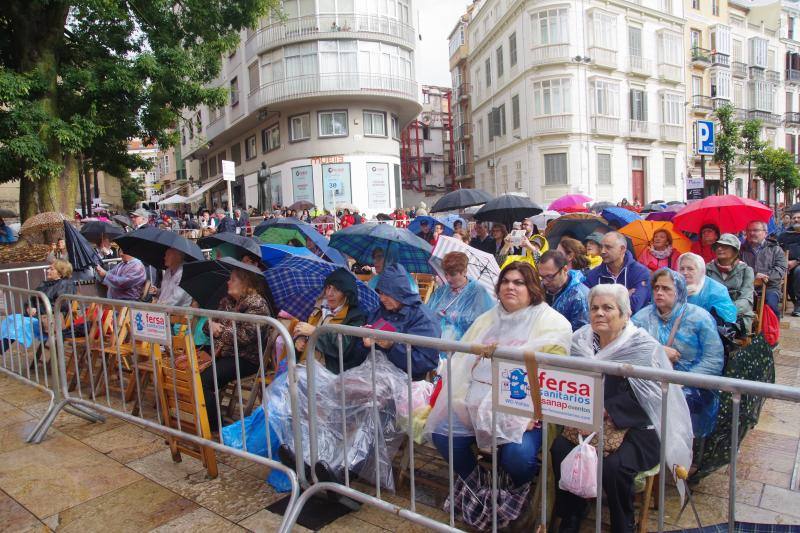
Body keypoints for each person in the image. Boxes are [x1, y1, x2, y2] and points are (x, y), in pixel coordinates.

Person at [553, 284, 693, 533]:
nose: (599, 313)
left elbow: (653, 398)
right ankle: (572, 514)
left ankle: (622, 522)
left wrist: (608, 409)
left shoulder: (642, 347)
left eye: (608, 308)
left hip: (639, 426)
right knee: (561, 448)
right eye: (594, 308)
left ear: (625, 314)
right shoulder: (580, 341)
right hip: (589, 420)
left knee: (614, 465)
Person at [427, 262, 572, 493]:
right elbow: (464, 363)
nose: (510, 287)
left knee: (517, 457)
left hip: (528, 412)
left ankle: (515, 492)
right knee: (443, 434)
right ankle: (478, 487)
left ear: (532, 287)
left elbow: (554, 378)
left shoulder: (553, 323)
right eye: (505, 281)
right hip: (477, 404)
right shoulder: (487, 319)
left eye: (518, 282)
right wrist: (459, 401)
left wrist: (530, 414)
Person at [632, 269, 724, 438]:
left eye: (666, 288)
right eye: (656, 288)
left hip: (691, 385)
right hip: (650, 381)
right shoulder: (642, 317)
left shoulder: (699, 318)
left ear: (679, 291)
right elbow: (629, 349)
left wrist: (681, 382)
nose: (659, 292)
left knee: (675, 401)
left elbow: (713, 360)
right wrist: (657, 351)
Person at [201, 267, 271, 431]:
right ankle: (200, 415)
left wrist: (220, 331)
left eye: (232, 279)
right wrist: (210, 325)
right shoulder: (227, 301)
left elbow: (246, 336)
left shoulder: (257, 304)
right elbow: (207, 324)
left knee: (203, 380)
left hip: (246, 358)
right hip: (223, 353)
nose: (228, 282)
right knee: (187, 368)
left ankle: (213, 426)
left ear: (245, 283)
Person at [363, 263, 440, 379]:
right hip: (374, 375)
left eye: (387, 294)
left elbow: (425, 362)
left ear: (400, 292)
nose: (382, 298)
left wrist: (393, 346)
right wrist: (364, 344)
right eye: (381, 293)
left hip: (407, 383)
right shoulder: (379, 311)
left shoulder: (424, 319)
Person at [290, 268, 369, 373]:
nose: (329, 294)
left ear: (346, 293)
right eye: (328, 288)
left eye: (336, 289)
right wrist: (299, 340)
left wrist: (315, 332)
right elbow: (305, 331)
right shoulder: (319, 309)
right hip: (304, 366)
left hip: (329, 374)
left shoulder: (356, 316)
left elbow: (343, 348)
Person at [427, 252, 494, 359]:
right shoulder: (442, 291)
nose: (448, 279)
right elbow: (427, 313)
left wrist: (456, 319)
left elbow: (483, 322)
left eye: (452, 274)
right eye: (446, 274)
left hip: (463, 353)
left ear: (464, 272)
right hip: (438, 352)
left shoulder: (477, 291)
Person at [1, 260, 76, 352]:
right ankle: (1, 348)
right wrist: (30, 307)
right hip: (38, 316)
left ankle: (1, 349)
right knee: (11, 319)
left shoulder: (65, 285)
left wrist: (37, 309)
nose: (48, 271)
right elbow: (32, 298)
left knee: (18, 324)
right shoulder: (46, 284)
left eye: (51, 269)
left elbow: (60, 306)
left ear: (61, 272)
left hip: (51, 320)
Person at [584, 232, 651, 314]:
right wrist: (624, 294)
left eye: (608, 247)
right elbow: (586, 305)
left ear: (622, 249)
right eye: (601, 247)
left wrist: (601, 300)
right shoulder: (593, 274)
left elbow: (634, 306)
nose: (603, 251)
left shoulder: (640, 272)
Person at [706, 233, 755, 334]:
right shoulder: (708, 269)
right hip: (712, 312)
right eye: (718, 246)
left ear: (735, 251)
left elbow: (747, 299)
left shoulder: (746, 270)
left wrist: (727, 310)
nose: (719, 249)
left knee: (721, 329)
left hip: (738, 314)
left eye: (725, 246)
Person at [739, 220, 787, 317]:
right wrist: (754, 275)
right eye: (749, 230)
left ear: (765, 233)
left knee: (770, 305)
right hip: (746, 287)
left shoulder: (775, 249)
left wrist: (763, 277)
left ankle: (770, 332)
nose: (751, 233)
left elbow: (780, 270)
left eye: (756, 230)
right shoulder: (740, 250)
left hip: (770, 287)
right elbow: (737, 269)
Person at [678, 252, 738, 326]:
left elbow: (725, 320)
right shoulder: (674, 287)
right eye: (682, 269)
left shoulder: (717, 290)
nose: (685, 272)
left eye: (690, 269)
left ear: (700, 270)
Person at [538, 250, 589, 331]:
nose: (545, 282)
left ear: (564, 269)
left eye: (550, 276)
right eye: (541, 276)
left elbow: (580, 334)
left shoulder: (580, 296)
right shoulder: (539, 288)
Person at [778, 211, 800, 316]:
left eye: (799, 218)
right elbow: (777, 249)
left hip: (798, 264)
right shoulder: (784, 235)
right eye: (794, 218)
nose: (796, 220)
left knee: (798, 272)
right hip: (784, 263)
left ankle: (798, 303)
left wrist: (796, 261)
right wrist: (783, 261)